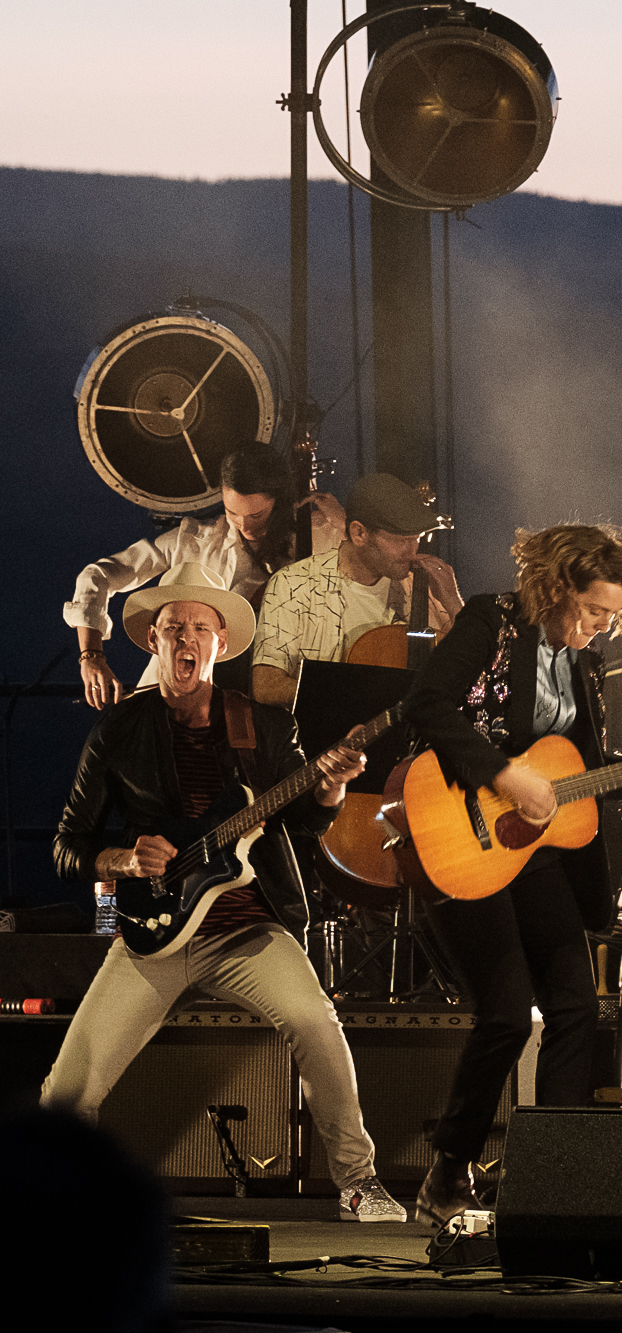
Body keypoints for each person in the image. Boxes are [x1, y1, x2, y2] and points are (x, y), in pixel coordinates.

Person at [43, 563, 404, 1222]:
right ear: (153, 641)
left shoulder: (259, 727)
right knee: (67, 1089)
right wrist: (122, 858)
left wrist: (329, 787)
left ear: (218, 643)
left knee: (316, 1024)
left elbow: (303, 821)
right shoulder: (119, 730)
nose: (185, 638)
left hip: (247, 929)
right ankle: (56, 1205)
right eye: (171, 627)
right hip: (155, 934)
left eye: (198, 628)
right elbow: (67, 845)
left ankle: (358, 1182)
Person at [401, 523, 622, 1226]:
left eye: (611, 616)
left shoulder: (581, 667)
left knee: (577, 1004)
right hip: (460, 828)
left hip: (536, 854)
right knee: (505, 1012)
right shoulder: (491, 620)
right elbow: (425, 705)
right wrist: (504, 773)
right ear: (556, 589)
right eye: (592, 612)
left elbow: (587, 777)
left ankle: (550, 1178)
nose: (601, 627)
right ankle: (446, 1176)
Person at [67, 442, 342, 708]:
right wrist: (91, 656)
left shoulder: (318, 538)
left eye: (256, 514)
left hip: (259, 710)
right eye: (232, 512)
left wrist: (342, 521)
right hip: (172, 702)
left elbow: (376, 566)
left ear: (279, 500)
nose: (244, 525)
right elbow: (97, 576)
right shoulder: (194, 540)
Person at [250, 472, 463, 707]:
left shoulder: (423, 586)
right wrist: (353, 689)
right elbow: (266, 686)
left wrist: (454, 604)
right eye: (400, 541)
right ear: (359, 533)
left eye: (417, 539)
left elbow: (468, 667)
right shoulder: (293, 584)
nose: (412, 551)